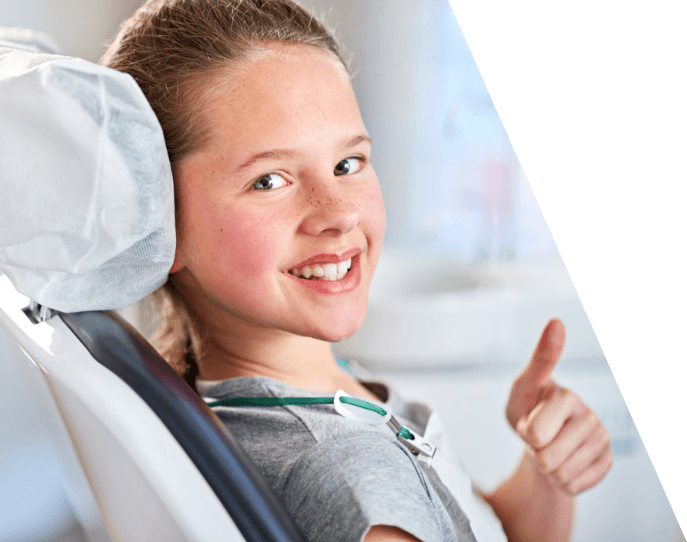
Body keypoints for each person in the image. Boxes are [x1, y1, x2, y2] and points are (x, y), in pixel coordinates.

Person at [101, 1, 613, 541]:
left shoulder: (323, 403)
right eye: (270, 180)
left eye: (348, 164)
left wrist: (545, 474)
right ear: (159, 224)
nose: (339, 212)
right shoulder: (348, 468)